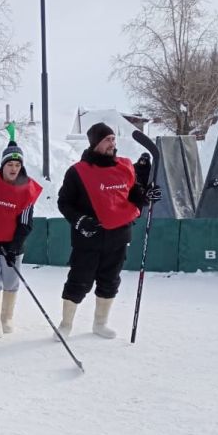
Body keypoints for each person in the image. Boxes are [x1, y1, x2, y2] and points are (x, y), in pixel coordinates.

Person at [57, 122, 160, 339]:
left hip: (119, 235)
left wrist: (146, 196)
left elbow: (134, 194)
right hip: (89, 237)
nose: (112, 144)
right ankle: (66, 324)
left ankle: (100, 324)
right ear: (95, 143)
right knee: (79, 280)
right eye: (107, 140)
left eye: (113, 139)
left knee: (110, 280)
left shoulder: (125, 166)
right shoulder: (77, 172)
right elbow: (64, 203)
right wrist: (80, 220)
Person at [0, 134, 42, 342]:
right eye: (10, 164)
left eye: (17, 165)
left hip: (13, 246)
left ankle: (6, 318)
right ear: (3, 164)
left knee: (11, 282)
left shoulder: (27, 190)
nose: (13, 168)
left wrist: (13, 247)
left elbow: (26, 223)